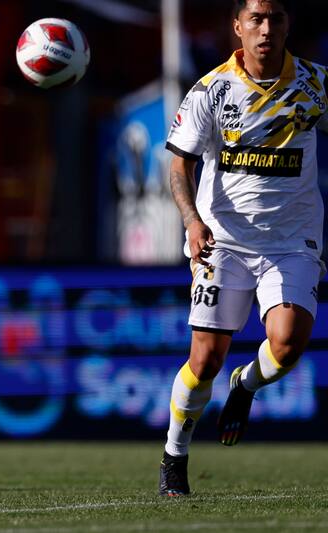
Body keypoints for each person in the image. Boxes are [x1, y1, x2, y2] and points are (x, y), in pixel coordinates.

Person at [158, 0, 328, 496]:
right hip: (223, 241)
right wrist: (191, 221)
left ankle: (246, 386)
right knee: (206, 359)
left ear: (287, 24)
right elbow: (178, 167)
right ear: (238, 27)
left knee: (289, 342)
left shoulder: (315, 83)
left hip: (293, 240)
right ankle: (174, 455)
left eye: (275, 17)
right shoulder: (211, 90)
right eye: (256, 18)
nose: (266, 28)